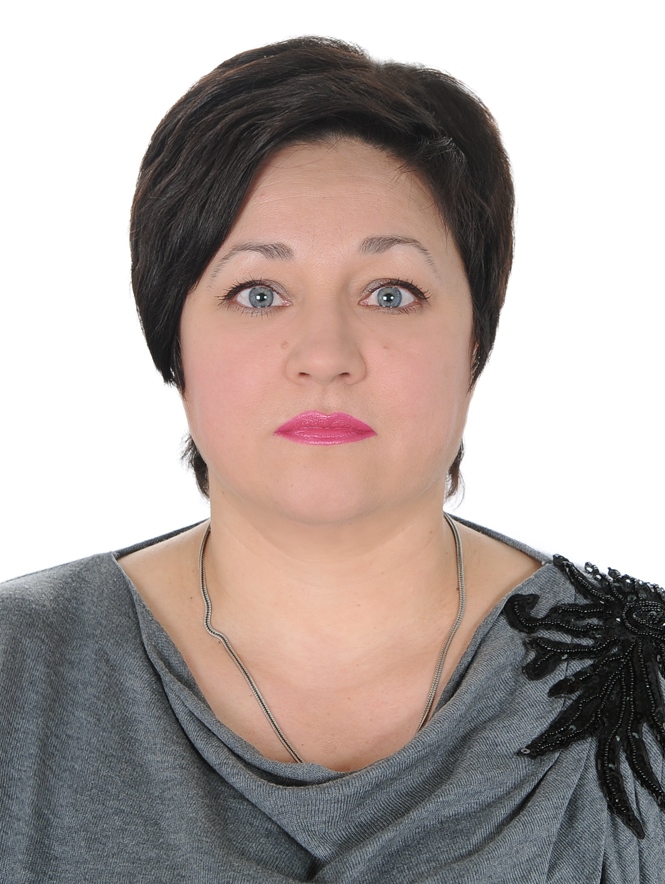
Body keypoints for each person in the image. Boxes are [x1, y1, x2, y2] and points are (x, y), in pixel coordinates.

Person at [1, 36, 663, 883]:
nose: (324, 354)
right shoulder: (19, 672)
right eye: (257, 294)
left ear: (474, 339)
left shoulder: (646, 689)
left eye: (390, 293)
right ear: (173, 342)